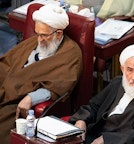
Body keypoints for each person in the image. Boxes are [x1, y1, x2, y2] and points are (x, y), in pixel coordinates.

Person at [0, 4, 82, 143]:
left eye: (44, 35)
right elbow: (6, 63)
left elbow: (59, 86)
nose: (39, 39)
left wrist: (31, 98)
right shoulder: (36, 40)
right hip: (4, 89)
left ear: (59, 33)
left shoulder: (71, 53)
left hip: (16, 102)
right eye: (37, 34)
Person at [68, 44, 134, 144]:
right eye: (130, 70)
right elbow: (94, 107)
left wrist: (107, 139)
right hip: (93, 135)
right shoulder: (117, 83)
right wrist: (81, 121)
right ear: (122, 69)